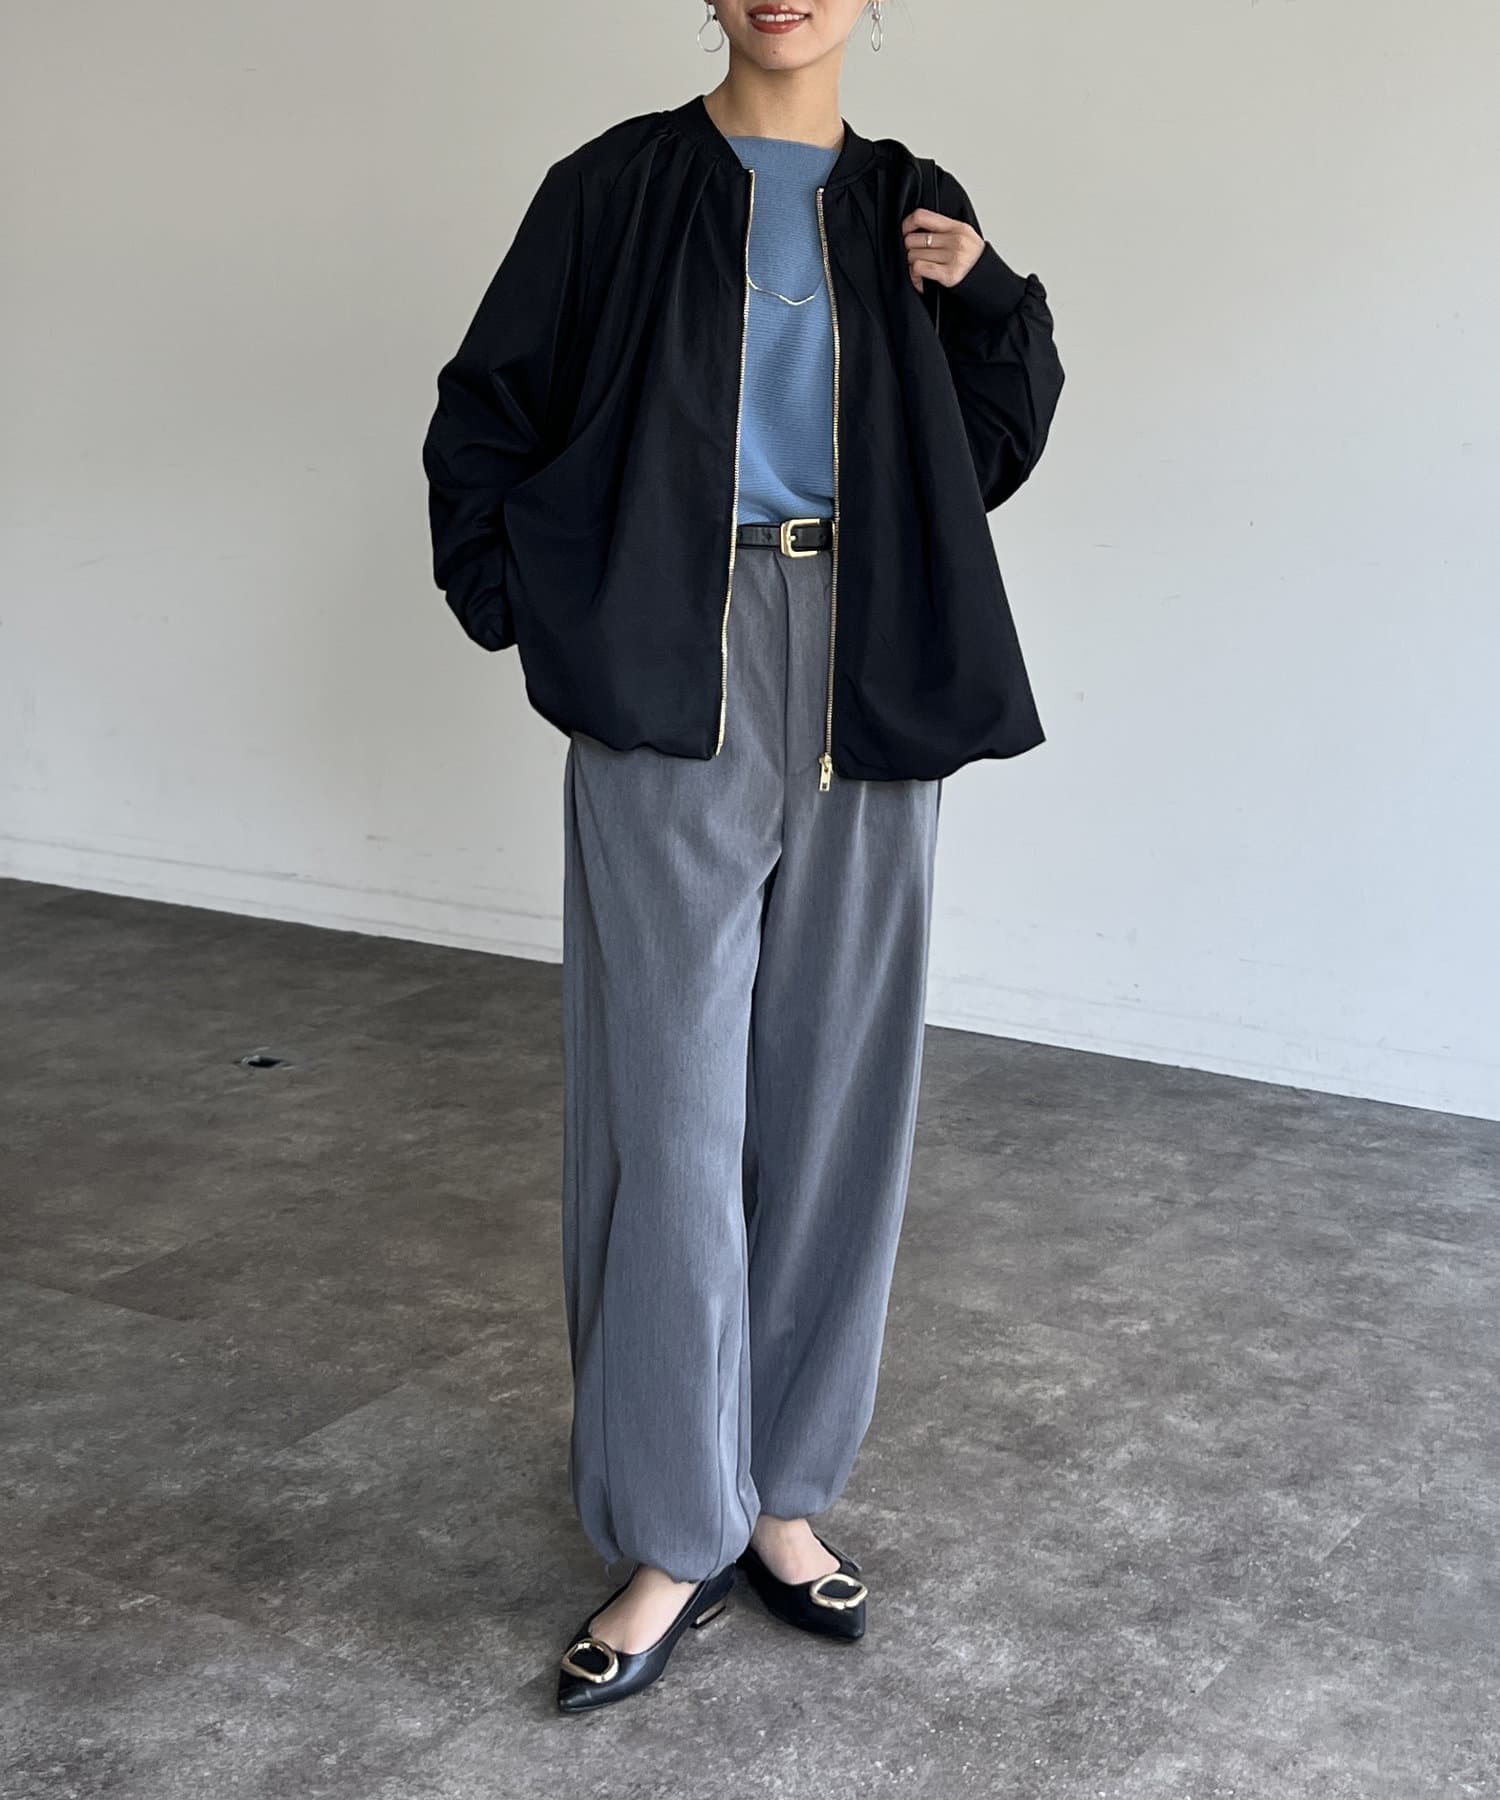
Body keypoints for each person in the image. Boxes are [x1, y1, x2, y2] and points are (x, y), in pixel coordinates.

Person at [421, 0, 1065, 1714]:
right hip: (670, 655)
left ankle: (781, 1493)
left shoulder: (914, 197)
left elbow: (984, 454)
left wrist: (990, 299)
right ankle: (669, 1524)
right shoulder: (616, 186)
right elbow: (487, 408)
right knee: (670, 1103)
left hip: (869, 657)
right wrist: (538, 607)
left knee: (838, 1098)